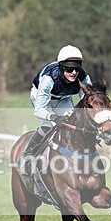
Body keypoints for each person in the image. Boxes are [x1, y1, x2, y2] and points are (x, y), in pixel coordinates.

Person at [19, 44, 93, 175]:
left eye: (76, 68)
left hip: (64, 98)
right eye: (69, 69)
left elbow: (89, 100)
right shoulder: (49, 78)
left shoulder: (83, 77)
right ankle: (28, 156)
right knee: (49, 125)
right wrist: (53, 117)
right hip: (41, 98)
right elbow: (39, 110)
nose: (74, 73)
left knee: (71, 123)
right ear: (61, 67)